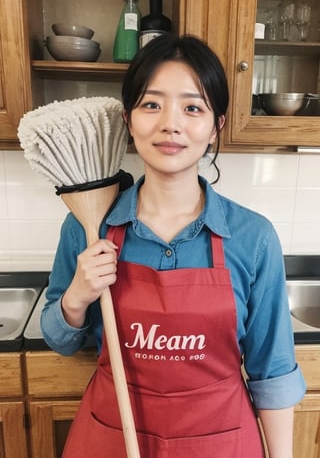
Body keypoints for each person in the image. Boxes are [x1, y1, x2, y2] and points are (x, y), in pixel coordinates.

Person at [41, 33, 306, 458]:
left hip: (220, 440)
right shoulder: (88, 227)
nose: (170, 123)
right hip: (112, 435)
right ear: (128, 119)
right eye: (151, 104)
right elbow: (60, 340)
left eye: (192, 107)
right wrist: (76, 298)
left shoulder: (253, 237)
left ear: (216, 124)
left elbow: (272, 371)